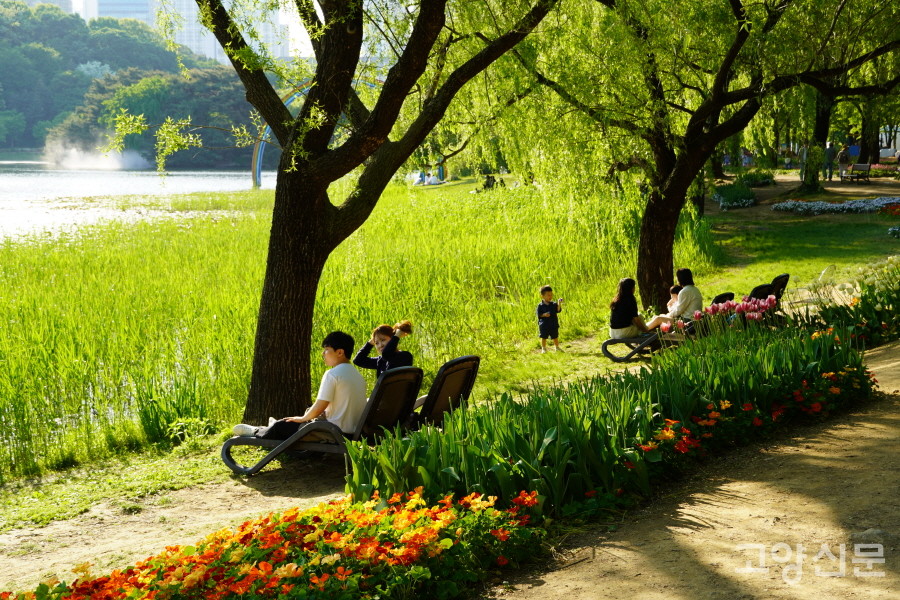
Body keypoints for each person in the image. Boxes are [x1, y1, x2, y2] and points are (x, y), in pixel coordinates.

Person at [232, 331, 367, 440]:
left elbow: (321, 405)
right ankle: (271, 426)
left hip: (333, 432)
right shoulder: (358, 376)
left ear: (339, 352)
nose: (323, 354)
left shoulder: (333, 374)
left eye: (326, 349)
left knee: (283, 425)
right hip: (353, 432)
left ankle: (256, 430)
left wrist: (302, 418)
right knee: (294, 421)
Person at [537, 285, 564, 352]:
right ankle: (543, 348)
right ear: (542, 296)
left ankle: (557, 347)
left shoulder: (553, 304)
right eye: (548, 295)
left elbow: (558, 310)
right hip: (544, 324)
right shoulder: (540, 305)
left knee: (555, 336)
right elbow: (539, 314)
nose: (550, 296)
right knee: (544, 337)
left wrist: (559, 303)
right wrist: (544, 315)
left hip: (553, 323)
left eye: (551, 295)